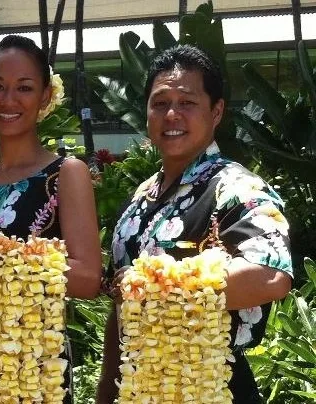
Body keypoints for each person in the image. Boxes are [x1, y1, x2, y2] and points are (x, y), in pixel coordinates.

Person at [96, 45, 293, 404]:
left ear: (216, 111)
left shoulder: (237, 188)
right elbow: (120, 308)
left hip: (212, 386)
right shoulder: (139, 199)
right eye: (160, 103)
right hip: (140, 388)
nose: (172, 114)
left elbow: (270, 276)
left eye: (187, 102)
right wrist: (107, 391)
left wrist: (155, 285)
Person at [0, 34, 103, 403]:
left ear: (45, 96)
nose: (8, 100)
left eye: (24, 88)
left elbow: (89, 278)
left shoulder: (66, 174)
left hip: (36, 373)